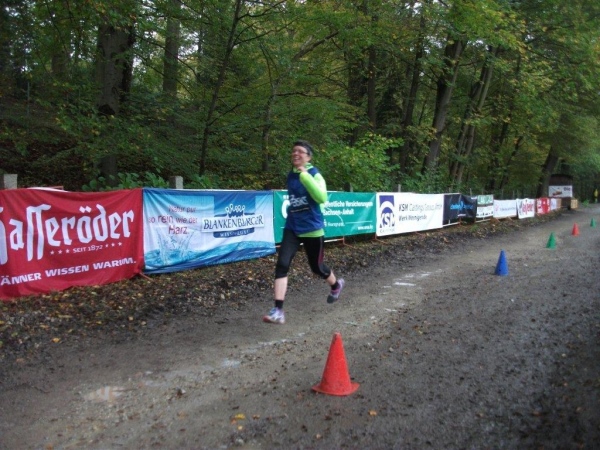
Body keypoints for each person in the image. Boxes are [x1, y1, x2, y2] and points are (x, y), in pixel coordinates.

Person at [263, 140, 345, 324]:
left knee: (317, 268)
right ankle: (278, 310)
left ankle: (336, 285)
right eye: (294, 151)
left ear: (308, 157)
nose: (295, 154)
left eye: (300, 151)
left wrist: (305, 176)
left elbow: (321, 197)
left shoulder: (315, 175)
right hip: (292, 227)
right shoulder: (290, 175)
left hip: (312, 229)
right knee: (282, 264)